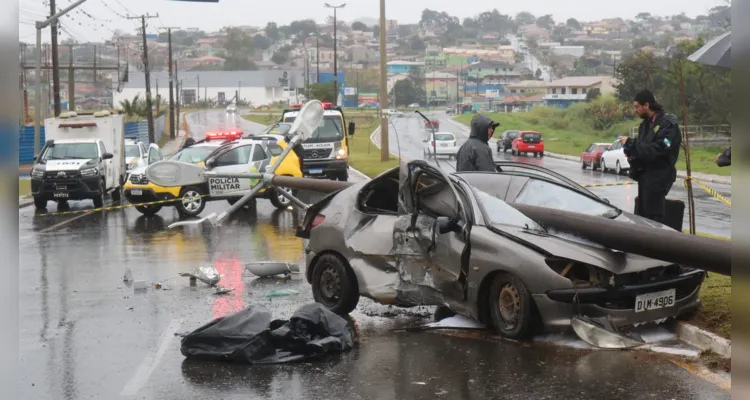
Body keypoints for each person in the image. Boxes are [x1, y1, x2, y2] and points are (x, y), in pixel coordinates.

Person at [619, 89, 682, 224]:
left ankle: (654, 244)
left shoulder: (668, 125)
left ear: (646, 105)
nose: (635, 110)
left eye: (637, 107)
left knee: (653, 219)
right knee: (641, 217)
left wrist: (632, 143)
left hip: (658, 178)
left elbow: (659, 149)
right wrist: (630, 150)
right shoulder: (646, 125)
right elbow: (643, 149)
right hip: (644, 177)